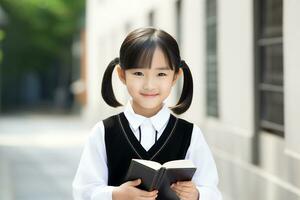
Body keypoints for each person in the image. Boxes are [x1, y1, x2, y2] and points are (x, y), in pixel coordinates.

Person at [72, 27, 222, 200]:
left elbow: (213, 192)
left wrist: (197, 194)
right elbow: (83, 191)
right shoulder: (104, 132)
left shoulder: (190, 134)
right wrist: (115, 195)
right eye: (138, 73)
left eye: (161, 74)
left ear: (175, 76)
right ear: (122, 74)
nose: (149, 85)